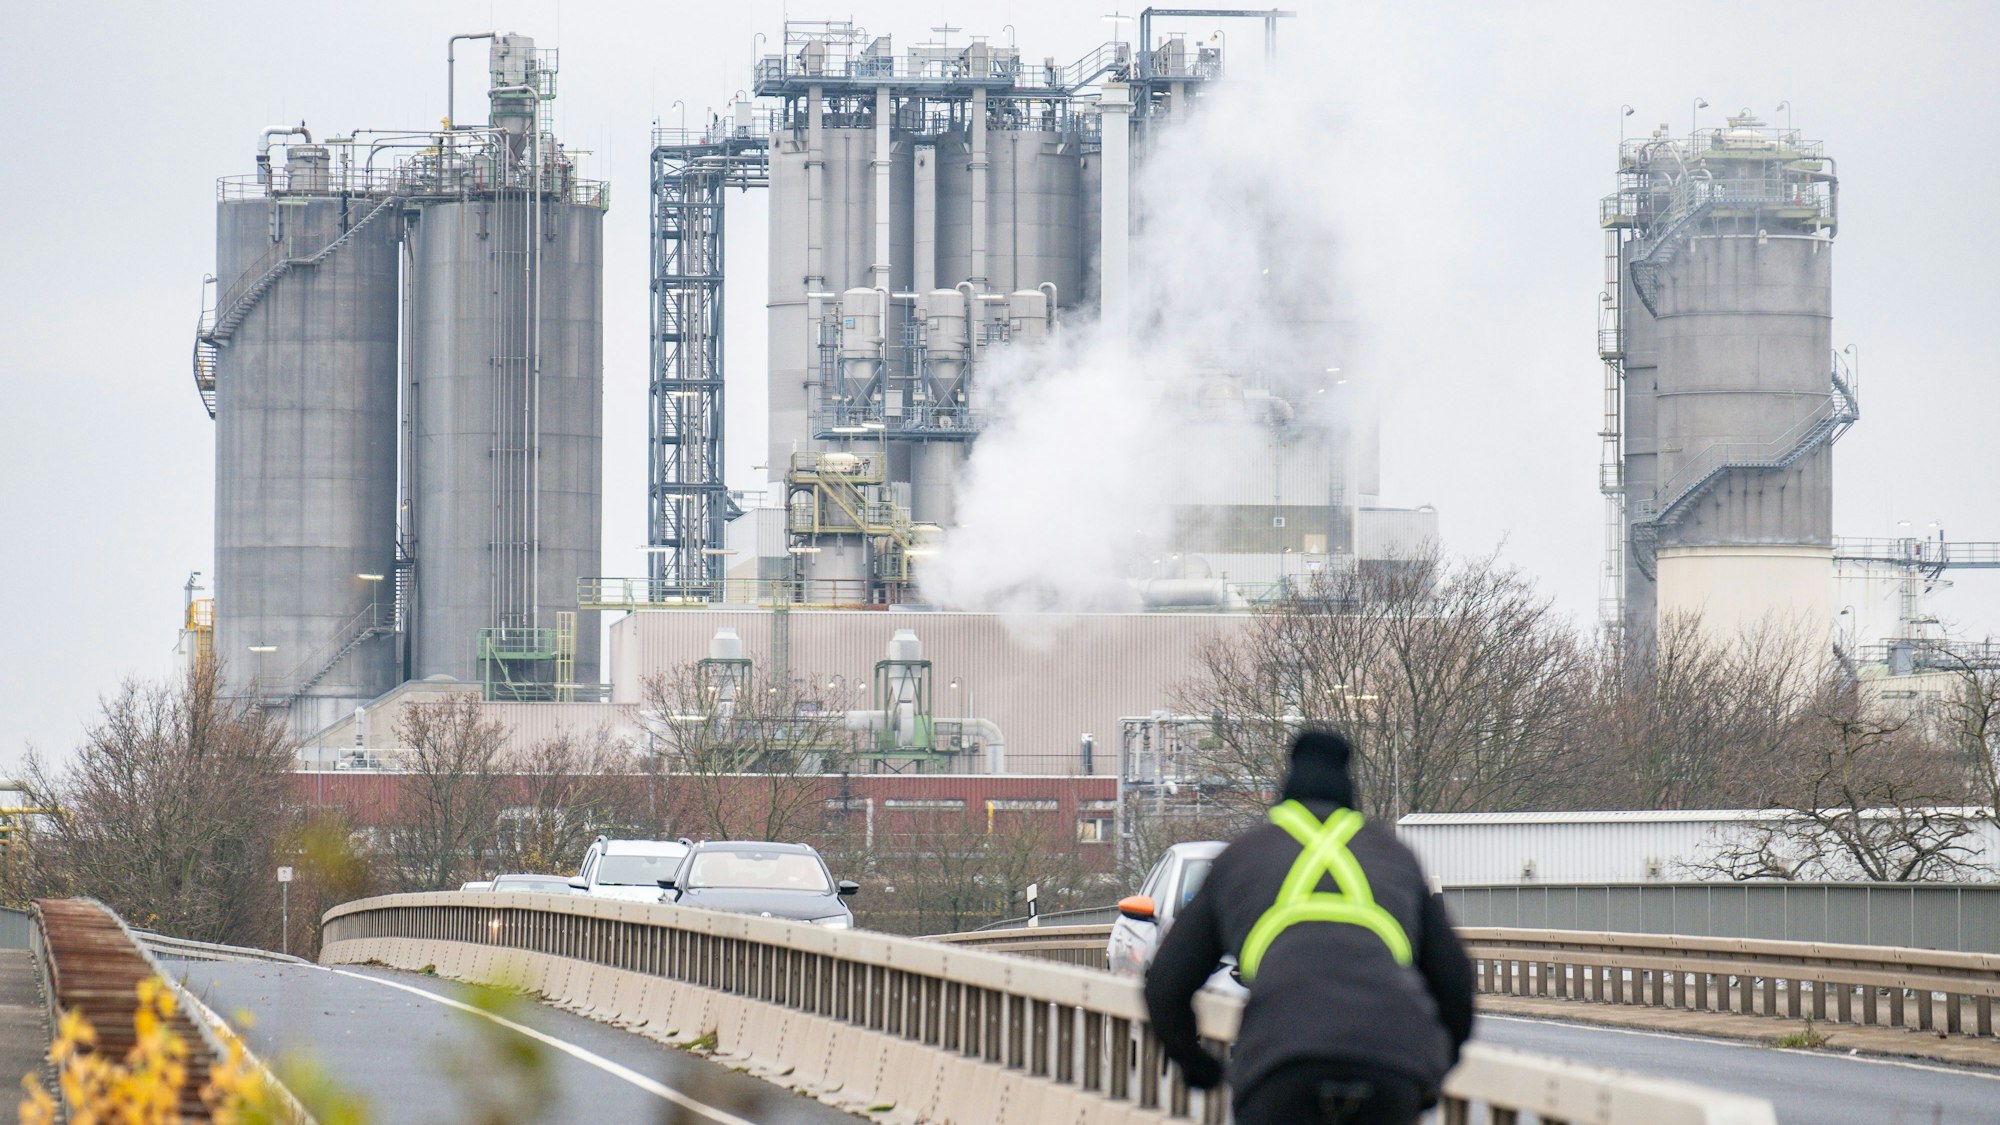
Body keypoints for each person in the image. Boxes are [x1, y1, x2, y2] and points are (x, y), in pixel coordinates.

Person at [1143, 729, 1475, 1125]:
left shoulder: (1244, 857)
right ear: (1349, 786)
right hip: (1388, 1062)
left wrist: (1195, 1064)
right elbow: (1455, 985)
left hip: (1281, 1064)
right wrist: (1431, 1072)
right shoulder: (1394, 855)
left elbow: (1166, 985)